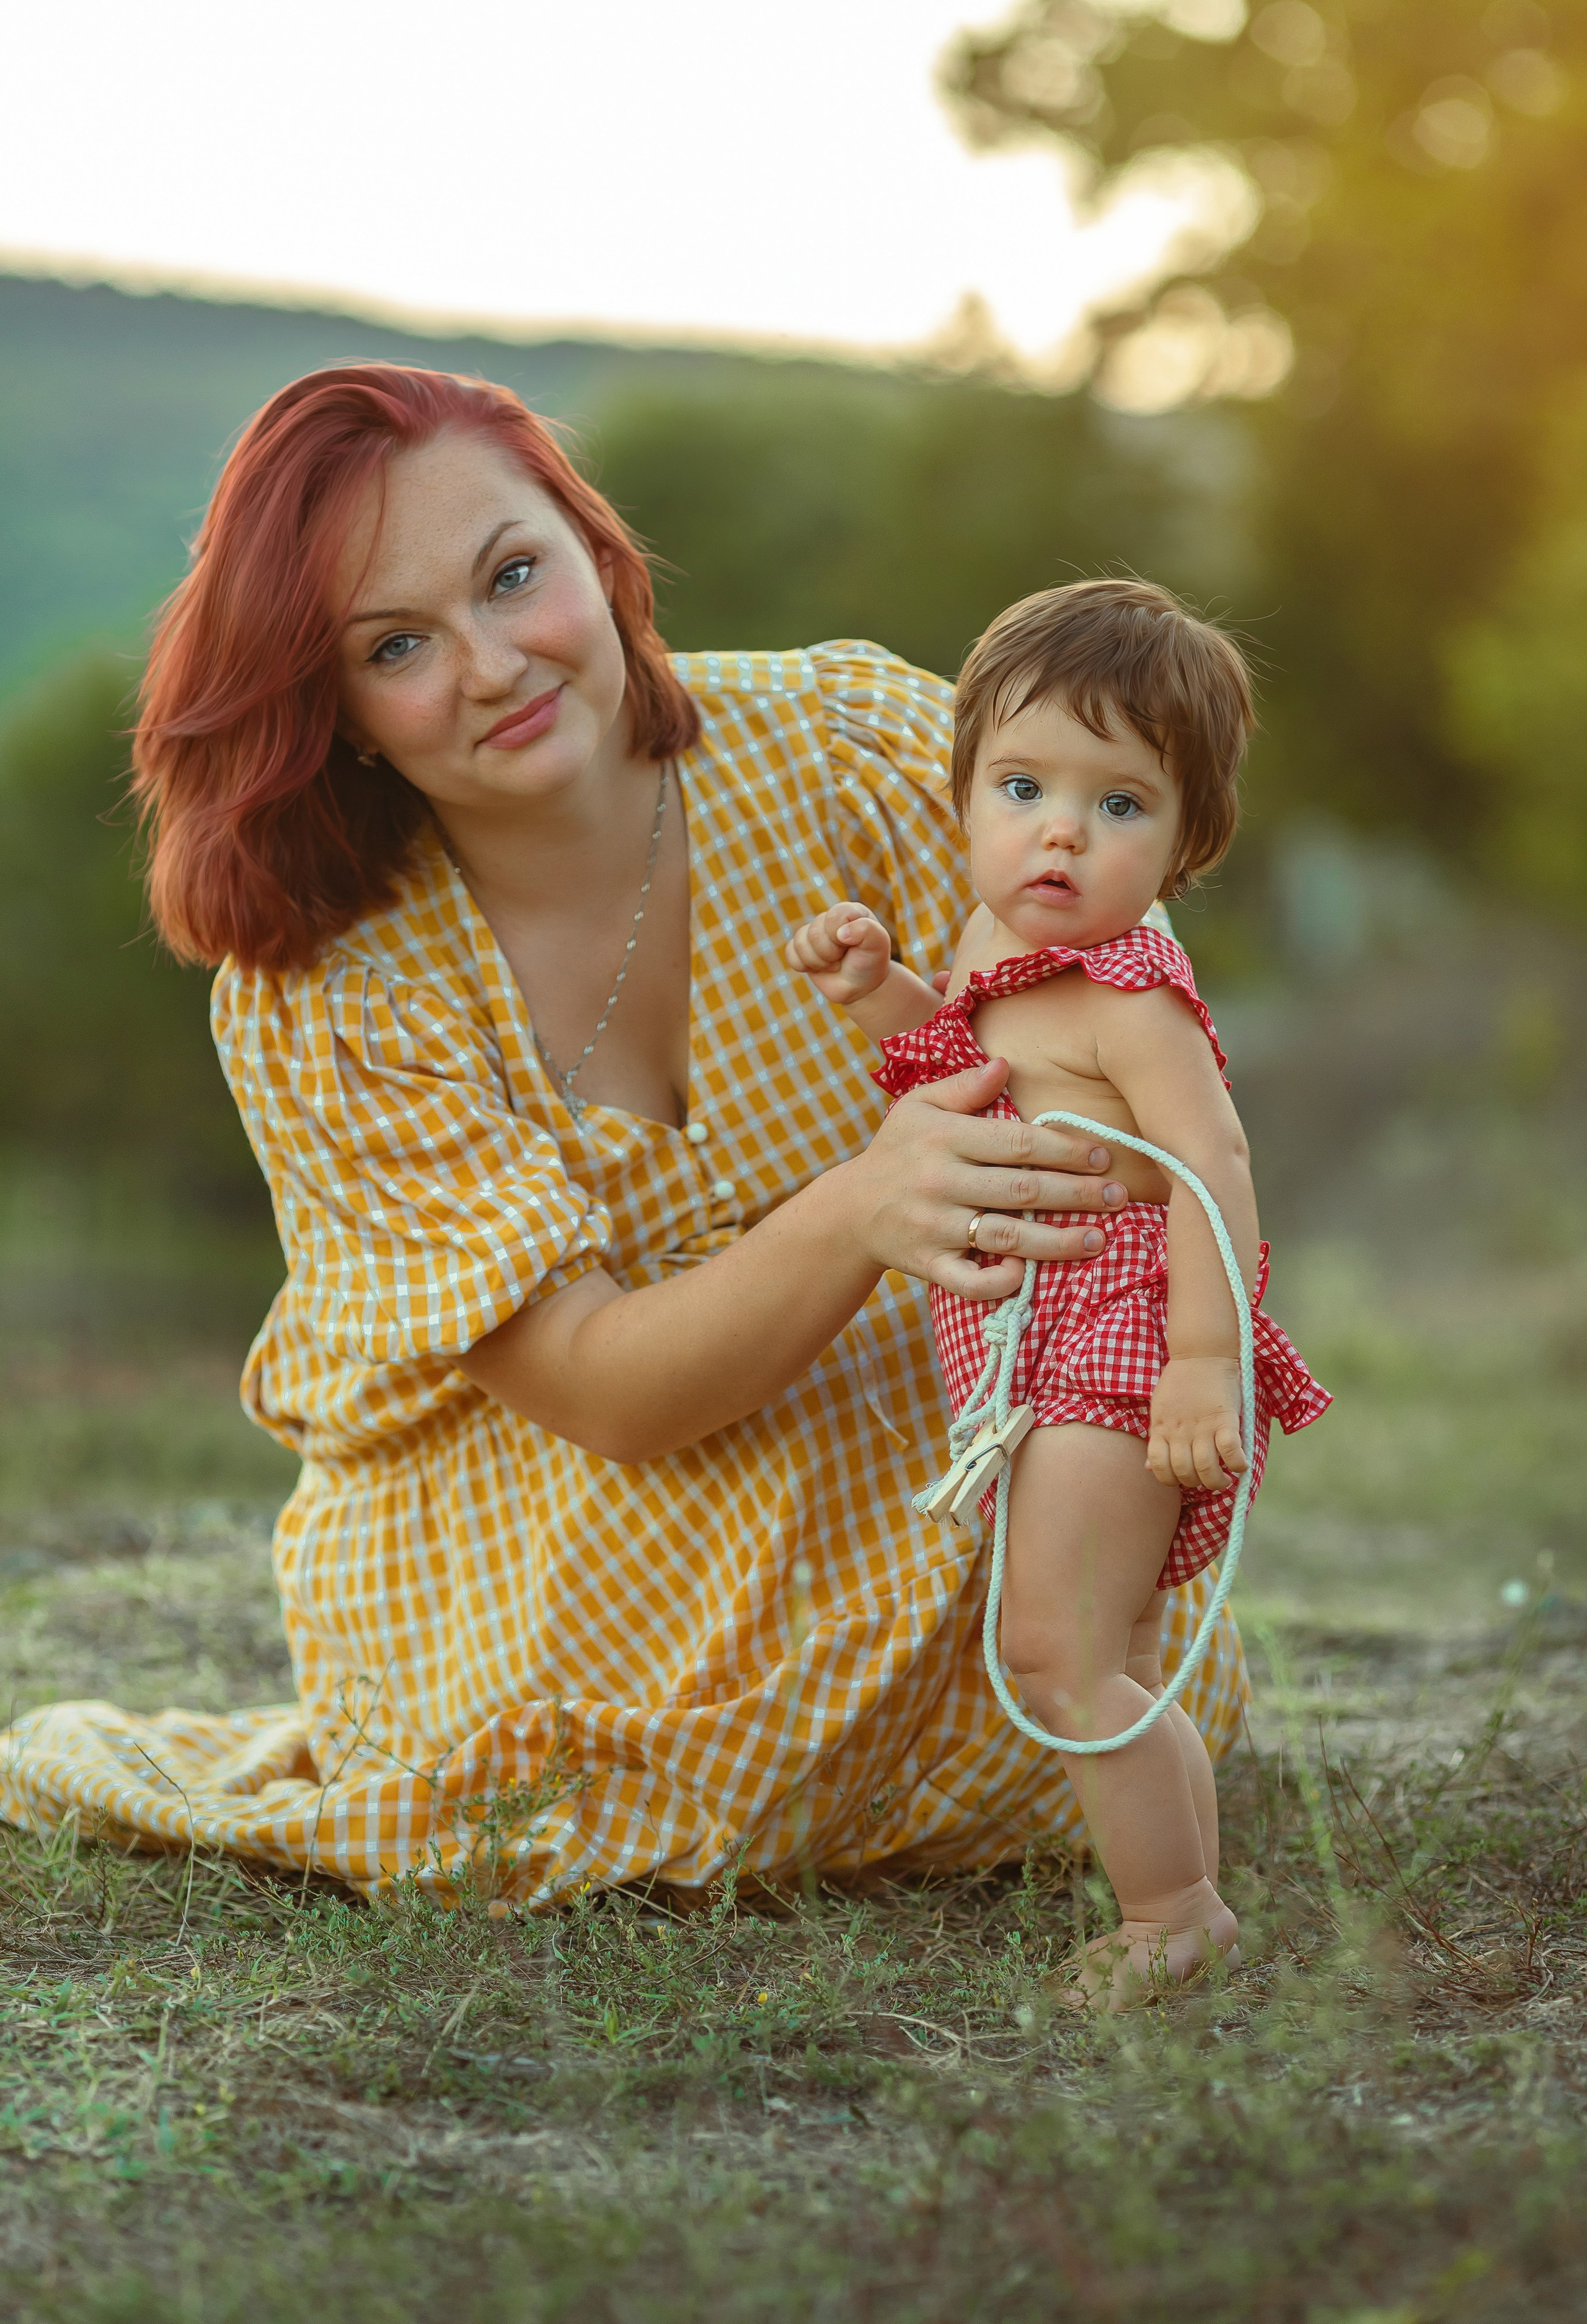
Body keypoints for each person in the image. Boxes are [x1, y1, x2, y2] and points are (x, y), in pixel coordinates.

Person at [0, 371, 1249, 1906]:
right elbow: (599, 1389)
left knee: (1049, 1574)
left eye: (511, 575)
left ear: (596, 553)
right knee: (593, 1705)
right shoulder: (330, 996)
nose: (490, 666)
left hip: (936, 1427)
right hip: (548, 1520)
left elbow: (1127, 1065)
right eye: (394, 648)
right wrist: (861, 1205)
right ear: (337, 715)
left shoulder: (851, 748)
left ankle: (1024, 1706)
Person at [786, 581, 1328, 2004]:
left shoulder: (1127, 995)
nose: (1059, 833)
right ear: (961, 791)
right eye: (1021, 788)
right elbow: (972, 1070)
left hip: (1116, 1336)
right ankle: (1180, 1896)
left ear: (1187, 842)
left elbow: (1209, 1163)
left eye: (1118, 804)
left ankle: (1172, 1914)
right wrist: (883, 994)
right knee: (1112, 1647)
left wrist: (1201, 1359)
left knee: (1056, 1652)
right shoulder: (994, 945)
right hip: (1029, 1345)